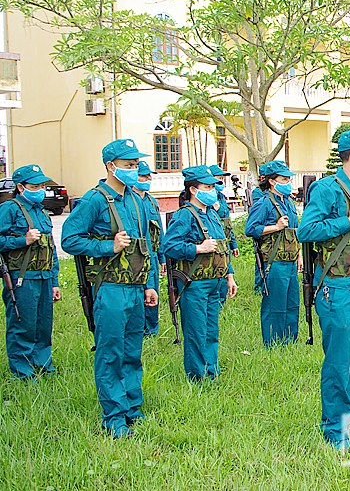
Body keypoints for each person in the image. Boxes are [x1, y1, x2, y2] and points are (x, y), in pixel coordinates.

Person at [62, 139, 158, 438]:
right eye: (128, 166)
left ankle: (132, 407)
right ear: (110, 166)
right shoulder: (93, 200)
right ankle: (114, 416)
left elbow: (147, 247)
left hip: (136, 287)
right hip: (111, 288)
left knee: (132, 351)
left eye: (135, 165)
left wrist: (149, 285)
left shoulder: (137, 200)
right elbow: (69, 239)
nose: (134, 170)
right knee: (110, 353)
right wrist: (107, 245)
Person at [297, 127, 350, 449]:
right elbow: (306, 230)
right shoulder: (326, 190)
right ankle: (335, 427)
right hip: (335, 287)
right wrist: (347, 222)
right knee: (338, 359)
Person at [161, 166, 239, 381]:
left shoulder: (212, 214)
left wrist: (229, 275)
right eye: (207, 187)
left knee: (211, 331)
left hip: (215, 281)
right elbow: (169, 246)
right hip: (194, 283)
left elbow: (222, 248)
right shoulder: (185, 215)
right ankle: (197, 376)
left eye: (213, 186)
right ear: (193, 190)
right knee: (196, 332)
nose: (212, 190)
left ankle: (211, 372)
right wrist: (197, 248)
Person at [0, 164, 61, 379]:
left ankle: (44, 366)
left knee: (44, 325)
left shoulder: (42, 212)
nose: (40, 189)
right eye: (35, 186)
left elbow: (50, 248)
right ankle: (23, 372)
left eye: (42, 185)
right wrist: (21, 240)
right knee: (22, 324)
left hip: (44, 276)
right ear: (20, 187)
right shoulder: (9, 209)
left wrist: (54, 281)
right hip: (21, 278)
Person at [245, 160, 302, 347]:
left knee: (292, 303)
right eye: (283, 179)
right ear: (271, 181)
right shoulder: (264, 203)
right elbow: (250, 229)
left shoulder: (289, 202)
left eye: (288, 179)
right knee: (275, 305)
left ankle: (290, 341)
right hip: (274, 262)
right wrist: (274, 227)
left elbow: (294, 231)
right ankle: (274, 343)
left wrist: (299, 255)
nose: (288, 182)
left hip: (291, 260)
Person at [131, 161, 164, 336]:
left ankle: (151, 329)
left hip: (152, 253)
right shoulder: (130, 200)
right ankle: (138, 327)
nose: (148, 179)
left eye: (148, 176)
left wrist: (162, 257)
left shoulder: (152, 201)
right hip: (136, 254)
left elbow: (159, 231)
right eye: (143, 176)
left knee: (153, 290)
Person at [209, 165, 241, 260]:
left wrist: (233, 244)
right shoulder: (207, 200)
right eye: (219, 178)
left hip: (225, 241)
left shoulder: (221, 197)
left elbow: (227, 223)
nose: (221, 181)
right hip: (214, 242)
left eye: (222, 178)